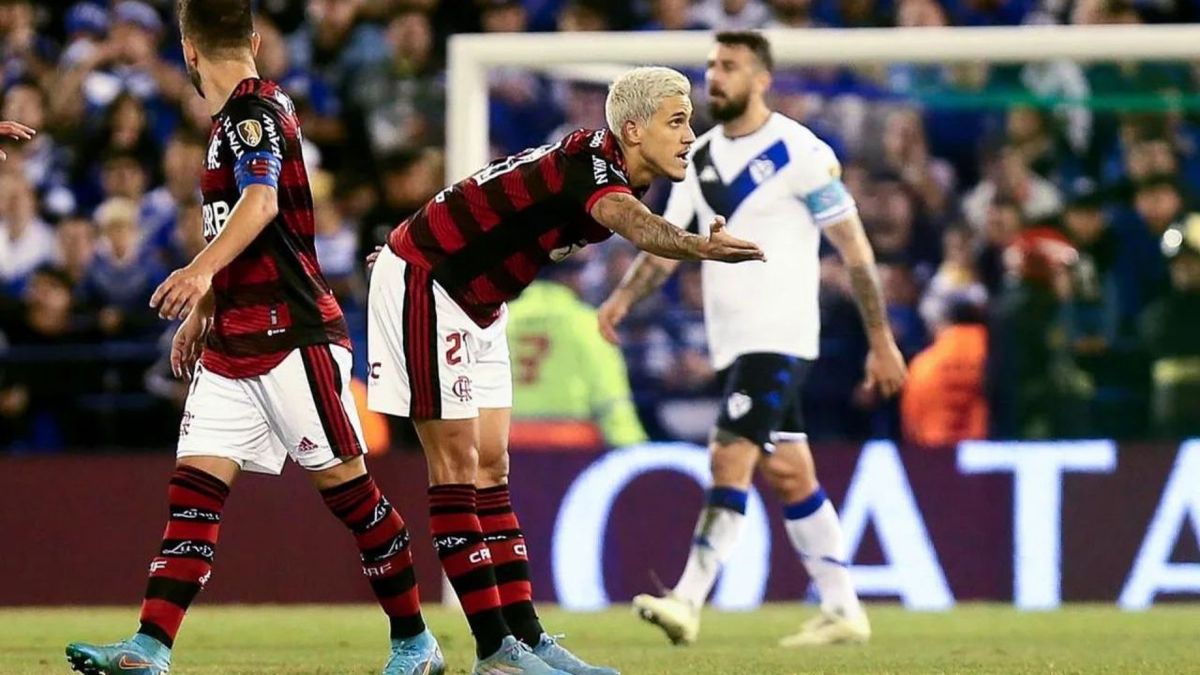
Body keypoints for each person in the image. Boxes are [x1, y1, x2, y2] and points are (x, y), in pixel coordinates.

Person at [65, 3, 443, 675]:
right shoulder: (240, 119)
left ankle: (415, 641)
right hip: (233, 342)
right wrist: (204, 307)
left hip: (292, 335)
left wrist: (195, 270)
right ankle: (148, 649)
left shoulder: (250, 115)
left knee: (352, 496)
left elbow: (261, 204)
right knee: (193, 496)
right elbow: (240, 225)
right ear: (255, 39)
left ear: (187, 51)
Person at [366, 66, 763, 675]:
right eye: (677, 121)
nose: (690, 136)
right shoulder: (596, 169)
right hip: (429, 284)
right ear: (633, 129)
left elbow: (491, 198)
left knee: (494, 466)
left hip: (479, 298)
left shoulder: (615, 168)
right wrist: (695, 246)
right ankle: (495, 651)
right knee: (457, 466)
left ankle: (526, 637)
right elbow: (632, 225)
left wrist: (417, 235)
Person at [597, 32, 907, 648]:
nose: (715, 76)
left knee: (729, 455)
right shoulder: (701, 156)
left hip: (781, 335)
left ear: (761, 78)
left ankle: (687, 598)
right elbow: (669, 245)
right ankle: (845, 608)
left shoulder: (801, 151)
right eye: (712, 65)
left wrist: (880, 338)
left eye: (730, 66)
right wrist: (623, 299)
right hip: (732, 341)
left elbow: (855, 250)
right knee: (791, 474)